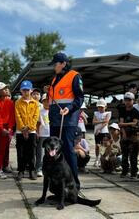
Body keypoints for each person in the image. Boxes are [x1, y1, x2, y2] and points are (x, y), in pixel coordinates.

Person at [46, 52, 84, 190]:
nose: (54, 67)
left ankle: (74, 184)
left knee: (68, 151)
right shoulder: (55, 78)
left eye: (55, 64)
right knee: (53, 152)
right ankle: (56, 184)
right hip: (54, 121)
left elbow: (79, 98)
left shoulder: (75, 76)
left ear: (63, 64)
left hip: (67, 121)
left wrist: (69, 108)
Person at [15, 80, 39, 181]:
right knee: (20, 152)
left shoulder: (35, 103)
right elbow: (17, 116)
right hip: (20, 131)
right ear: (21, 91)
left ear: (31, 90)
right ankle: (21, 170)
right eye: (23, 90)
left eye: (27, 90)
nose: (25, 92)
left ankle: (32, 170)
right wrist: (23, 128)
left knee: (31, 151)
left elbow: (35, 116)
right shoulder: (17, 102)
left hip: (31, 131)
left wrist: (29, 127)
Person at [119, 92, 139, 178]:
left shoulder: (135, 111)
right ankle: (124, 171)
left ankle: (133, 172)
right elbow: (120, 123)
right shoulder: (122, 110)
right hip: (124, 134)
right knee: (124, 155)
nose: (127, 102)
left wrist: (123, 124)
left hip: (133, 136)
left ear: (133, 101)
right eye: (126, 100)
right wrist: (123, 133)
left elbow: (134, 123)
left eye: (129, 100)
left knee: (133, 156)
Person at [93, 98, 111, 167]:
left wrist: (99, 129)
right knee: (97, 146)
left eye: (102, 107)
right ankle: (97, 159)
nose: (100, 108)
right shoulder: (96, 113)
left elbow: (106, 123)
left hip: (104, 131)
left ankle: (102, 159)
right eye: (99, 107)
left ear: (105, 107)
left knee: (104, 146)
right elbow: (93, 122)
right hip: (96, 132)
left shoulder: (108, 113)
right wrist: (101, 121)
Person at [36, 93, 50, 177]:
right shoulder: (40, 111)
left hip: (51, 135)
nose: (47, 102)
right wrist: (37, 132)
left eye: (48, 101)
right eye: (45, 101)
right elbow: (37, 123)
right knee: (40, 153)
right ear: (43, 102)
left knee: (50, 153)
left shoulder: (53, 111)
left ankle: (48, 168)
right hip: (42, 134)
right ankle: (38, 169)